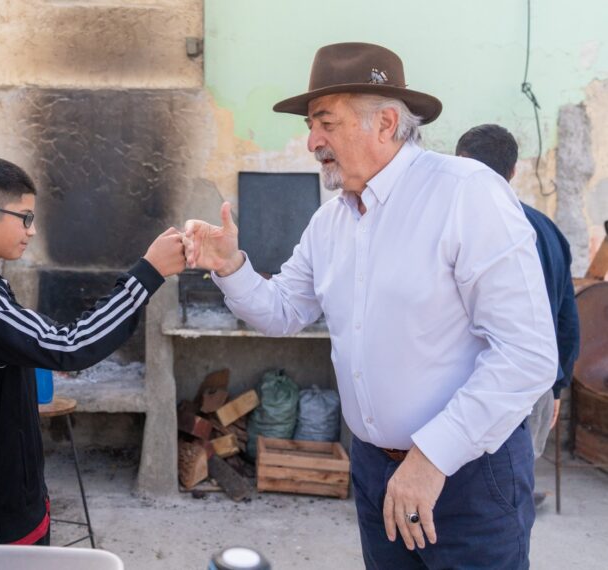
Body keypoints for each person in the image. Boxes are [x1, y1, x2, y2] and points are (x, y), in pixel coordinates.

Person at [184, 43, 557, 568]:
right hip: (376, 472)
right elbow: (284, 310)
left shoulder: (467, 194)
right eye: (312, 125)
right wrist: (230, 265)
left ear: (385, 122)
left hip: (469, 477)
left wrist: (431, 459)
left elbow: (528, 354)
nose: (311, 141)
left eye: (325, 123)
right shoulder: (331, 221)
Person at [0, 157, 185, 545]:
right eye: (24, 217)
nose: (32, 230)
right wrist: (148, 273)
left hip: (14, 489)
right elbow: (70, 344)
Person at [456, 124, 580, 505]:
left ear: (459, 165)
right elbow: (566, 318)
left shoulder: (457, 226)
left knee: (464, 497)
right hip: (536, 385)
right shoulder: (548, 230)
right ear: (513, 172)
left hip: (470, 383)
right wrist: (558, 384)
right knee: (512, 489)